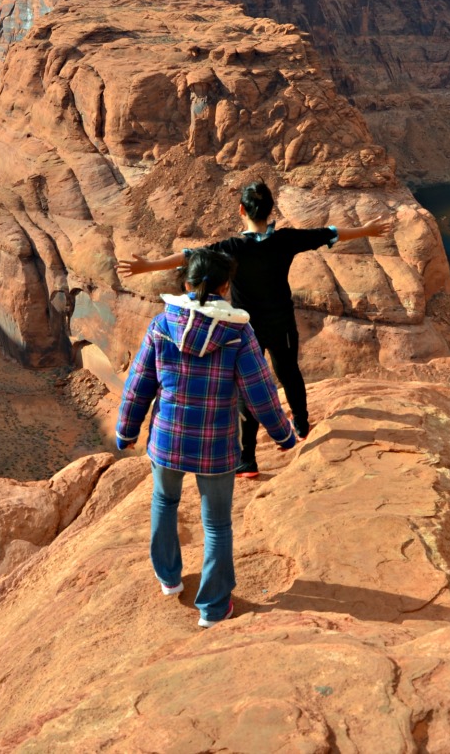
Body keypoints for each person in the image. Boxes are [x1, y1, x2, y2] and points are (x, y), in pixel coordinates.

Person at [117, 181, 394, 475]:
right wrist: (366, 230)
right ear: (270, 210)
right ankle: (301, 424)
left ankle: (247, 459)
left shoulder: (232, 248)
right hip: (281, 323)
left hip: (244, 329)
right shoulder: (285, 240)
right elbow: (331, 234)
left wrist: (147, 266)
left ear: (241, 210)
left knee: (246, 388)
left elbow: (190, 256)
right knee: (288, 371)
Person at [115, 248, 297, 628]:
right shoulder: (238, 333)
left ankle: (169, 579)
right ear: (225, 287)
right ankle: (213, 610)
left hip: (167, 440)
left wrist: (126, 432)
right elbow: (259, 391)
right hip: (215, 446)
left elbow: (138, 386)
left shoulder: (162, 324)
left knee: (164, 502)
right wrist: (283, 435)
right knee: (216, 524)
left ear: (186, 284)